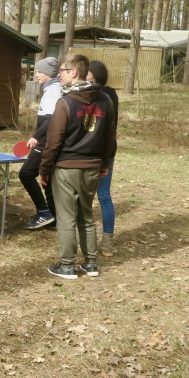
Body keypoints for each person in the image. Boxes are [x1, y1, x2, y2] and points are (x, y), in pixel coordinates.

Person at [39, 54, 117, 280]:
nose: (59, 74)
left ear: (73, 72)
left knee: (66, 218)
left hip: (67, 168)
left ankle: (67, 266)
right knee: (86, 215)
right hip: (92, 167)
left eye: (62, 70)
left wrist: (44, 169)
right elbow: (110, 136)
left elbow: (54, 141)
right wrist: (104, 162)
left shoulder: (65, 102)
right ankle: (91, 263)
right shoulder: (105, 100)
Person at [20, 57, 61, 230]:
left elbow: (50, 119)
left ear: (49, 73)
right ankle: (54, 217)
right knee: (48, 180)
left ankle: (44, 212)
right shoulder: (52, 89)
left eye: (39, 72)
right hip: (48, 141)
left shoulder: (53, 91)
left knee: (26, 174)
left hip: (45, 142)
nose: (36, 75)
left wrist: (36, 136)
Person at [88, 60, 118, 255]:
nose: (84, 75)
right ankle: (96, 242)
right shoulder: (110, 94)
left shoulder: (102, 95)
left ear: (95, 75)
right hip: (103, 149)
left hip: (97, 151)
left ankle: (105, 242)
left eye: (88, 73)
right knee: (95, 196)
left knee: (102, 196)